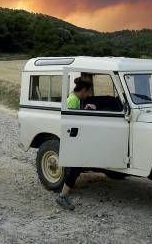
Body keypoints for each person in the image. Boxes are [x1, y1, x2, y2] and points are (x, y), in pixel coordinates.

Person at [56, 76, 96, 211]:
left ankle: (63, 194)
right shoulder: (73, 100)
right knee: (75, 167)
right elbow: (73, 121)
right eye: (88, 92)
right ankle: (62, 196)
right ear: (83, 90)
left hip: (74, 138)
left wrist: (85, 108)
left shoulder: (75, 99)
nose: (89, 95)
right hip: (73, 138)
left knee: (75, 167)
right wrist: (87, 110)